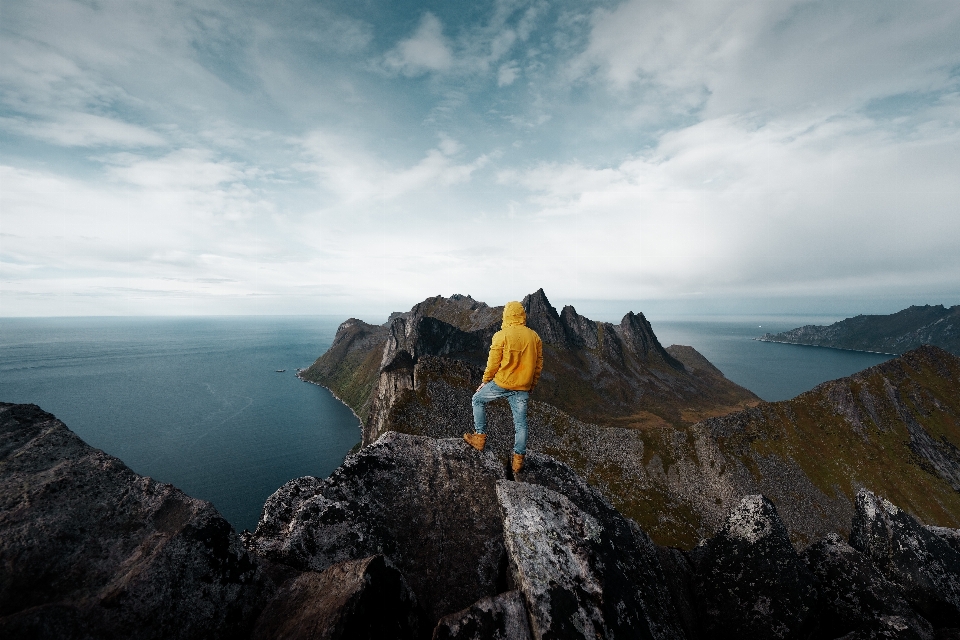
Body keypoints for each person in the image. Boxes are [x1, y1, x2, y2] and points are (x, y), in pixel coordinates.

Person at [463, 300, 543, 473]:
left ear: (506, 315)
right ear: (522, 315)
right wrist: (532, 385)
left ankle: (479, 437)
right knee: (521, 424)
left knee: (477, 399)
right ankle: (518, 462)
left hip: (501, 383)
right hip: (523, 387)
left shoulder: (501, 335)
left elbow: (493, 363)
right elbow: (538, 365)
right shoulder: (534, 337)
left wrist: (485, 381)